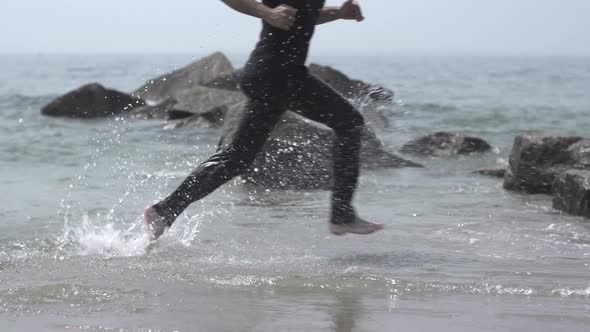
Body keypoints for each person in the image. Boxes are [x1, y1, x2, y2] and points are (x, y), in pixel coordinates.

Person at [144, 0, 384, 241]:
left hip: (269, 75)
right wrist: (266, 12)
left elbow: (304, 15)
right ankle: (342, 214)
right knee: (349, 122)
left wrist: (338, 13)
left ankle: (165, 210)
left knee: (236, 159)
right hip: (279, 74)